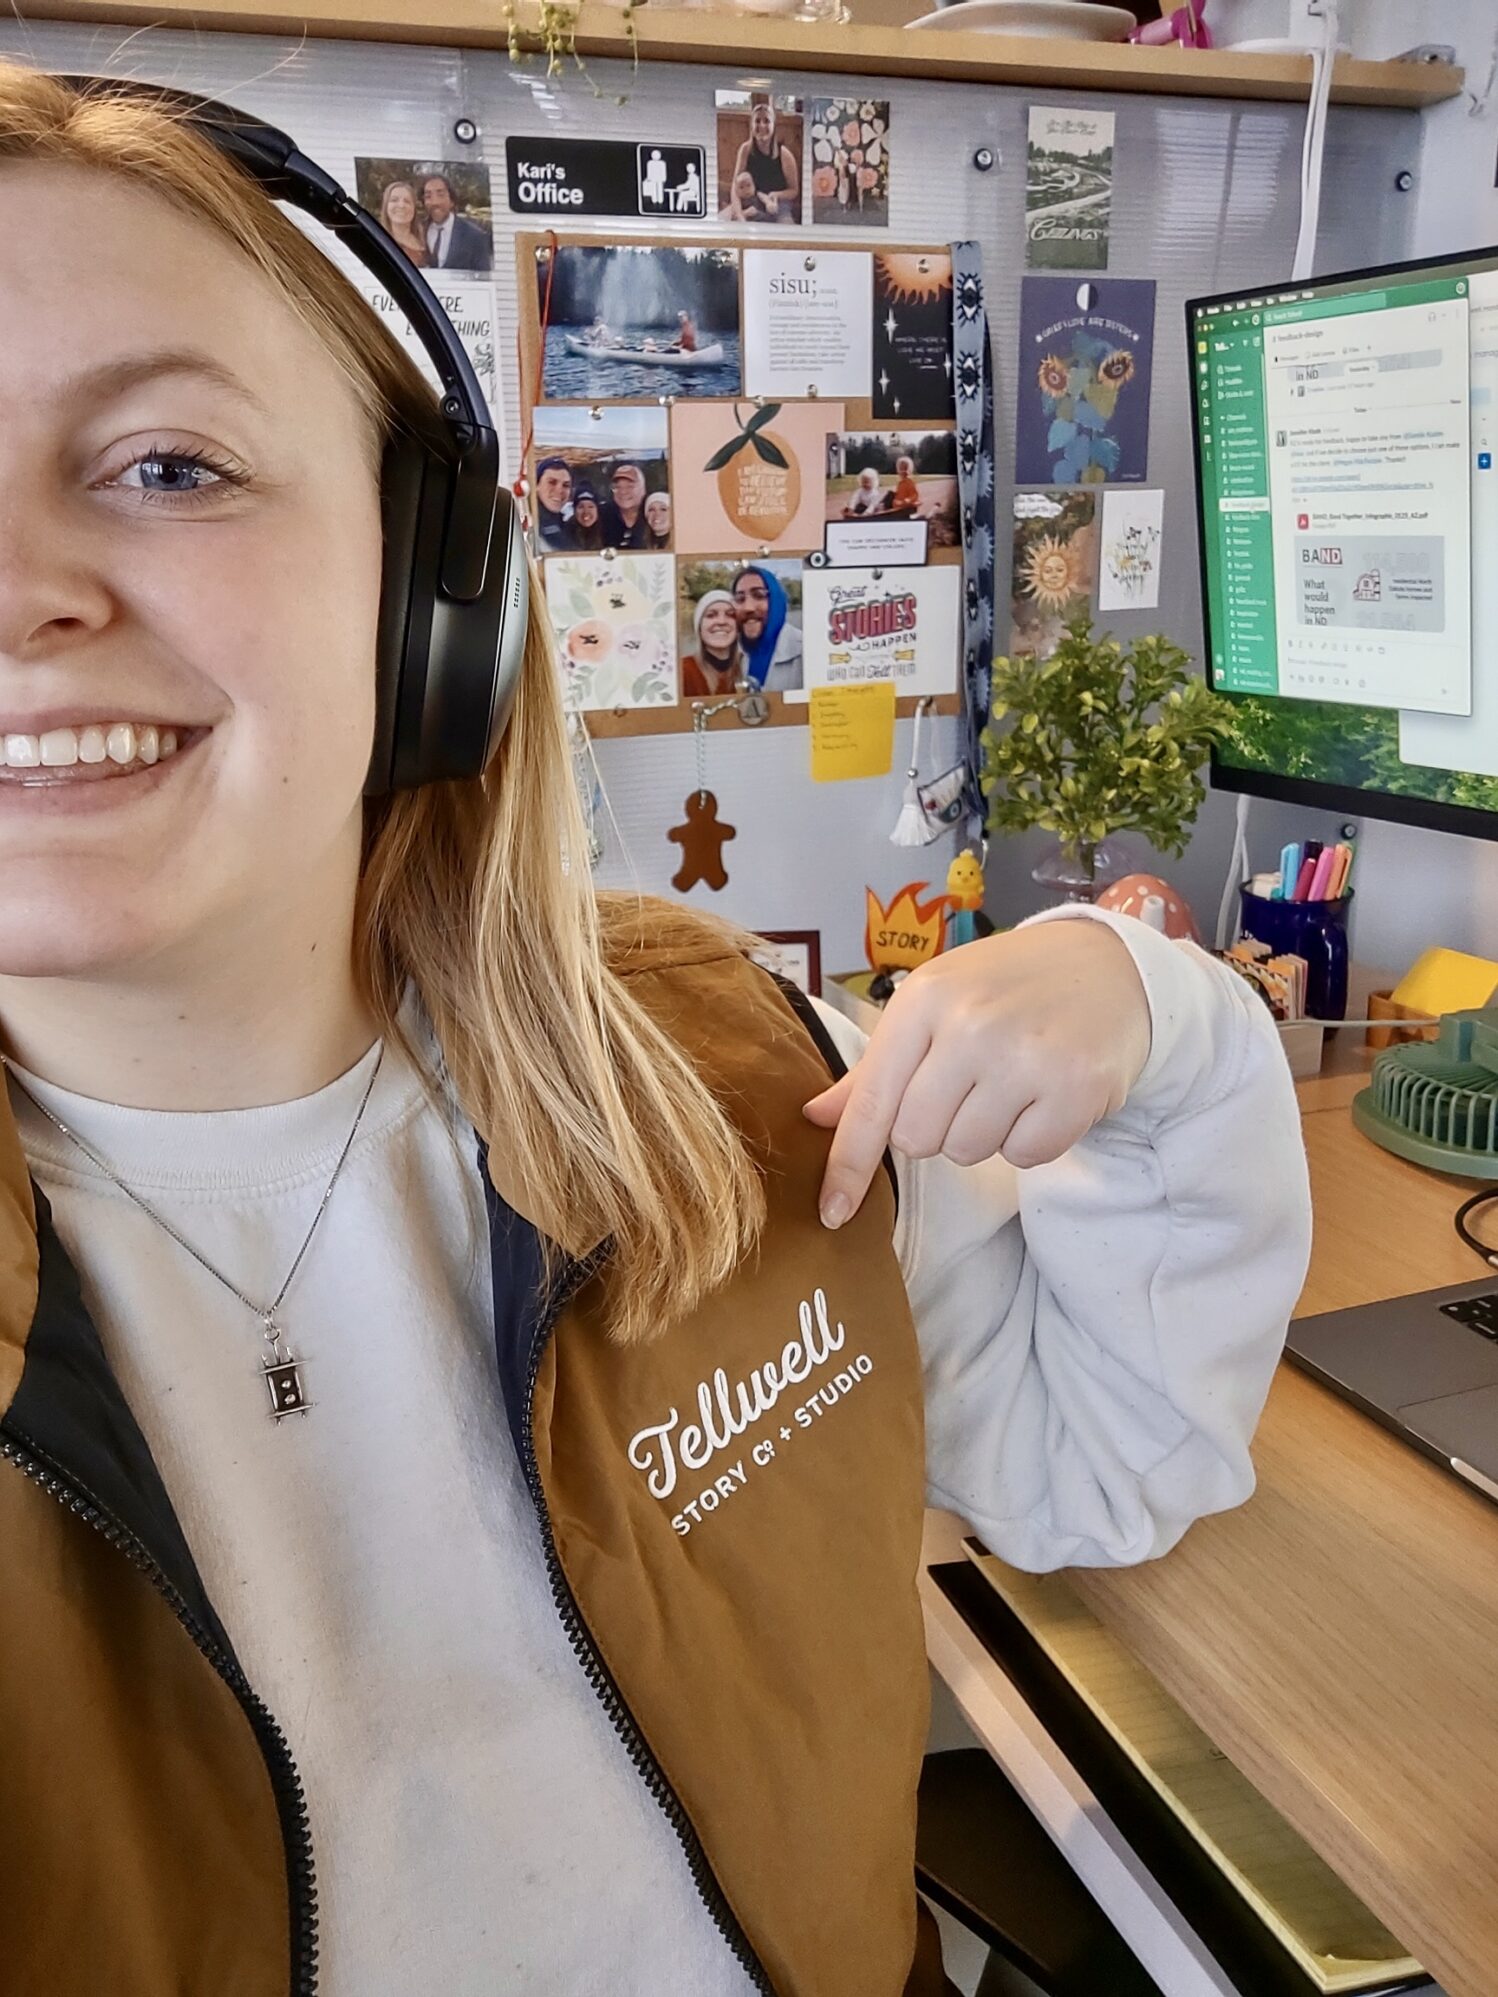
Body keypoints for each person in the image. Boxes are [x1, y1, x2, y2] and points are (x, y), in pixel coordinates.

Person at [0, 67, 1311, 1997]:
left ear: (432, 587)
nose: (23, 590)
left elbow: (1104, 1467)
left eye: (169, 465)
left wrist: (1158, 1023)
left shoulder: (728, 1073)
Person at [733, 563, 806, 693]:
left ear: (776, 601)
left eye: (759, 595)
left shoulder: (806, 650)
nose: (748, 608)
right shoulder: (733, 654)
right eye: (740, 598)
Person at [732, 98, 800, 223]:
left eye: (767, 121)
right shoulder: (745, 149)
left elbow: (794, 190)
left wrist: (775, 195)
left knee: (786, 227)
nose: (762, 125)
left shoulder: (784, 154)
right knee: (722, 218)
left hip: (778, 204)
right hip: (751, 202)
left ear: (774, 125)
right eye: (757, 121)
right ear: (751, 125)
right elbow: (735, 187)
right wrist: (739, 215)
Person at [420, 170, 491, 273]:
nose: (435, 202)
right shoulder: (418, 231)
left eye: (440, 195)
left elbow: (483, 277)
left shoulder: (475, 237)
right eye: (428, 196)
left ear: (452, 201)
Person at [680, 589, 744, 697]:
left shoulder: (748, 667)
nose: (722, 621)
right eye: (711, 615)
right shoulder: (683, 671)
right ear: (699, 627)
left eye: (730, 615)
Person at [377, 177, 428, 267]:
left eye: (407, 201)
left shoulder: (426, 239)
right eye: (394, 200)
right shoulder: (378, 243)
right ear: (386, 207)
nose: (401, 205)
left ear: (414, 208)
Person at [604, 460, 649, 548]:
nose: (623, 492)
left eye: (630, 486)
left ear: (643, 489)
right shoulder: (602, 516)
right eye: (617, 487)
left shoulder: (655, 514)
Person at [533, 455, 574, 552]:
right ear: (536, 485)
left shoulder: (562, 522)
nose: (560, 490)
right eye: (552, 482)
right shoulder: (531, 522)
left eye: (566, 485)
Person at [569, 482, 606, 551]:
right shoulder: (565, 534)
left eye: (590, 507)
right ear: (574, 510)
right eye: (581, 507)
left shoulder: (608, 530)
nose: (586, 512)